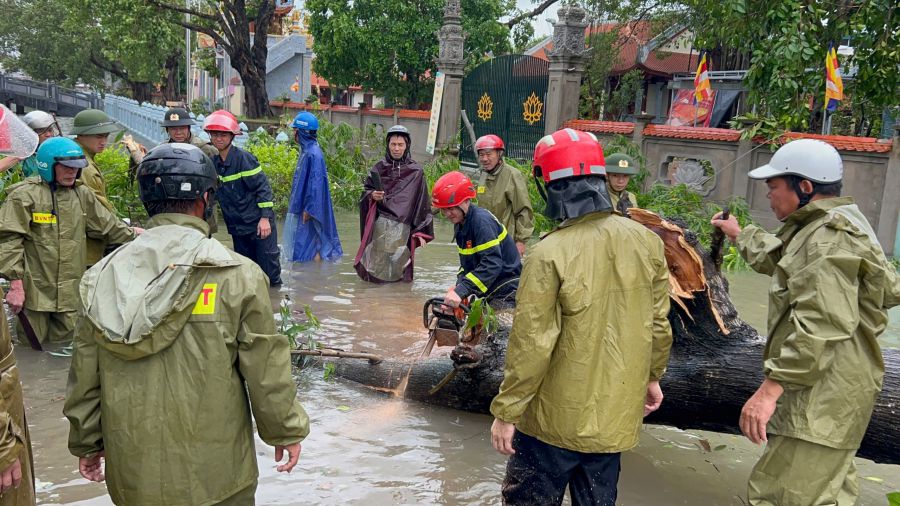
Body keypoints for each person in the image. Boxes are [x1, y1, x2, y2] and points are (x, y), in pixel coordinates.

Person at [64, 143, 310, 505]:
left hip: (134, 472)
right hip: (218, 473)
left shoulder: (101, 276)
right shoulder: (237, 273)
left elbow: (85, 372)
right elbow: (264, 366)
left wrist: (87, 442)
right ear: (207, 198)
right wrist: (284, 430)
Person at [710, 138, 900, 506]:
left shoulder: (828, 239)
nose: (769, 196)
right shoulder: (832, 224)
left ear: (805, 187)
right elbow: (785, 262)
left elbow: (821, 323)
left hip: (820, 397)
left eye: (774, 187)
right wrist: (739, 234)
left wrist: (769, 391)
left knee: (781, 496)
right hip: (833, 395)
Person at [489, 128, 672, 505]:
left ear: (551, 187)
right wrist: (653, 378)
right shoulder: (647, 242)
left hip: (548, 426)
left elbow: (531, 344)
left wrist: (506, 411)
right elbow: (658, 324)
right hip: (611, 424)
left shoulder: (547, 253)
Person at [0, 137, 139, 345]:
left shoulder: (82, 194)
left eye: (76, 167)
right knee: (30, 351)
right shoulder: (24, 196)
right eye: (66, 167)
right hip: (34, 294)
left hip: (70, 296)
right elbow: (8, 239)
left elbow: (109, 227)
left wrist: (138, 234)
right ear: (49, 165)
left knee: (66, 353)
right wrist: (16, 286)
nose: (72, 172)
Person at [204, 110, 282, 286]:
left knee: (269, 271)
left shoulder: (244, 159)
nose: (219, 138)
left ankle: (276, 306)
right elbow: (211, 195)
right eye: (215, 134)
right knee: (245, 273)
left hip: (258, 225)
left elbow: (263, 189)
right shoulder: (215, 163)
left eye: (223, 134)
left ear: (232, 136)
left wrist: (265, 218)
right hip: (237, 228)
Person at [355, 124, 433, 282]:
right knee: (376, 270)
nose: (396, 148)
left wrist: (420, 231)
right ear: (388, 145)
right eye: (393, 144)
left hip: (403, 229)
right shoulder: (378, 168)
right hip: (380, 226)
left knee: (399, 272)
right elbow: (365, 193)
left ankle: (397, 302)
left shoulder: (416, 171)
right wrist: (372, 195)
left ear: (407, 146)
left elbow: (422, 202)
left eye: (400, 145)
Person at [432, 171, 520, 309]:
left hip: (507, 291)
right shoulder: (461, 224)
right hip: (491, 290)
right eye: (444, 210)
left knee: (496, 328)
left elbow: (491, 264)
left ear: (466, 201)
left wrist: (462, 291)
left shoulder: (481, 222)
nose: (447, 214)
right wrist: (458, 288)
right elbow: (466, 266)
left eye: (451, 208)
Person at [282, 111, 343, 262]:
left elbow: (315, 184)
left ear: (302, 132)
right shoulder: (307, 151)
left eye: (295, 130)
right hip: (305, 206)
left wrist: (310, 209)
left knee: (311, 245)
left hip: (309, 210)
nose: (293, 134)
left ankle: (313, 277)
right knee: (307, 244)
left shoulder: (312, 154)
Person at [72, 108, 123, 265]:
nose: (104, 142)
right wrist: (126, 231)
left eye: (106, 136)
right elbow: (97, 208)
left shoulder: (81, 157)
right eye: (99, 136)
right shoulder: (82, 165)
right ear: (81, 135)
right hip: (85, 247)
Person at [161, 106, 219, 233]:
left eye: (182, 128)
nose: (178, 132)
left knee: (201, 237)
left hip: (199, 202)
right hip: (173, 204)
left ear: (189, 128)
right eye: (173, 129)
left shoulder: (204, 148)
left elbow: (218, 174)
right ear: (167, 130)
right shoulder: (163, 150)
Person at [474, 134, 533, 256]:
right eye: (481, 154)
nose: (484, 159)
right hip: (484, 241)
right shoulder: (483, 176)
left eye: (489, 154)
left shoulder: (512, 175)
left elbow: (524, 210)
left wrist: (520, 241)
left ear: (499, 154)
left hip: (506, 243)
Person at [0, 110, 59, 177]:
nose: (48, 134)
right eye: (42, 131)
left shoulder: (59, 150)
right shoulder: (19, 157)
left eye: (50, 130)